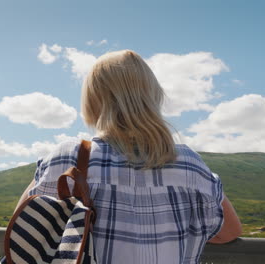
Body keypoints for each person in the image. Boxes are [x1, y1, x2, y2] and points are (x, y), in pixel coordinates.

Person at [15, 50, 242, 263]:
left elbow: (22, 226)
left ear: (93, 100)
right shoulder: (188, 164)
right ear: (152, 96)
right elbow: (229, 232)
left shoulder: (67, 158)